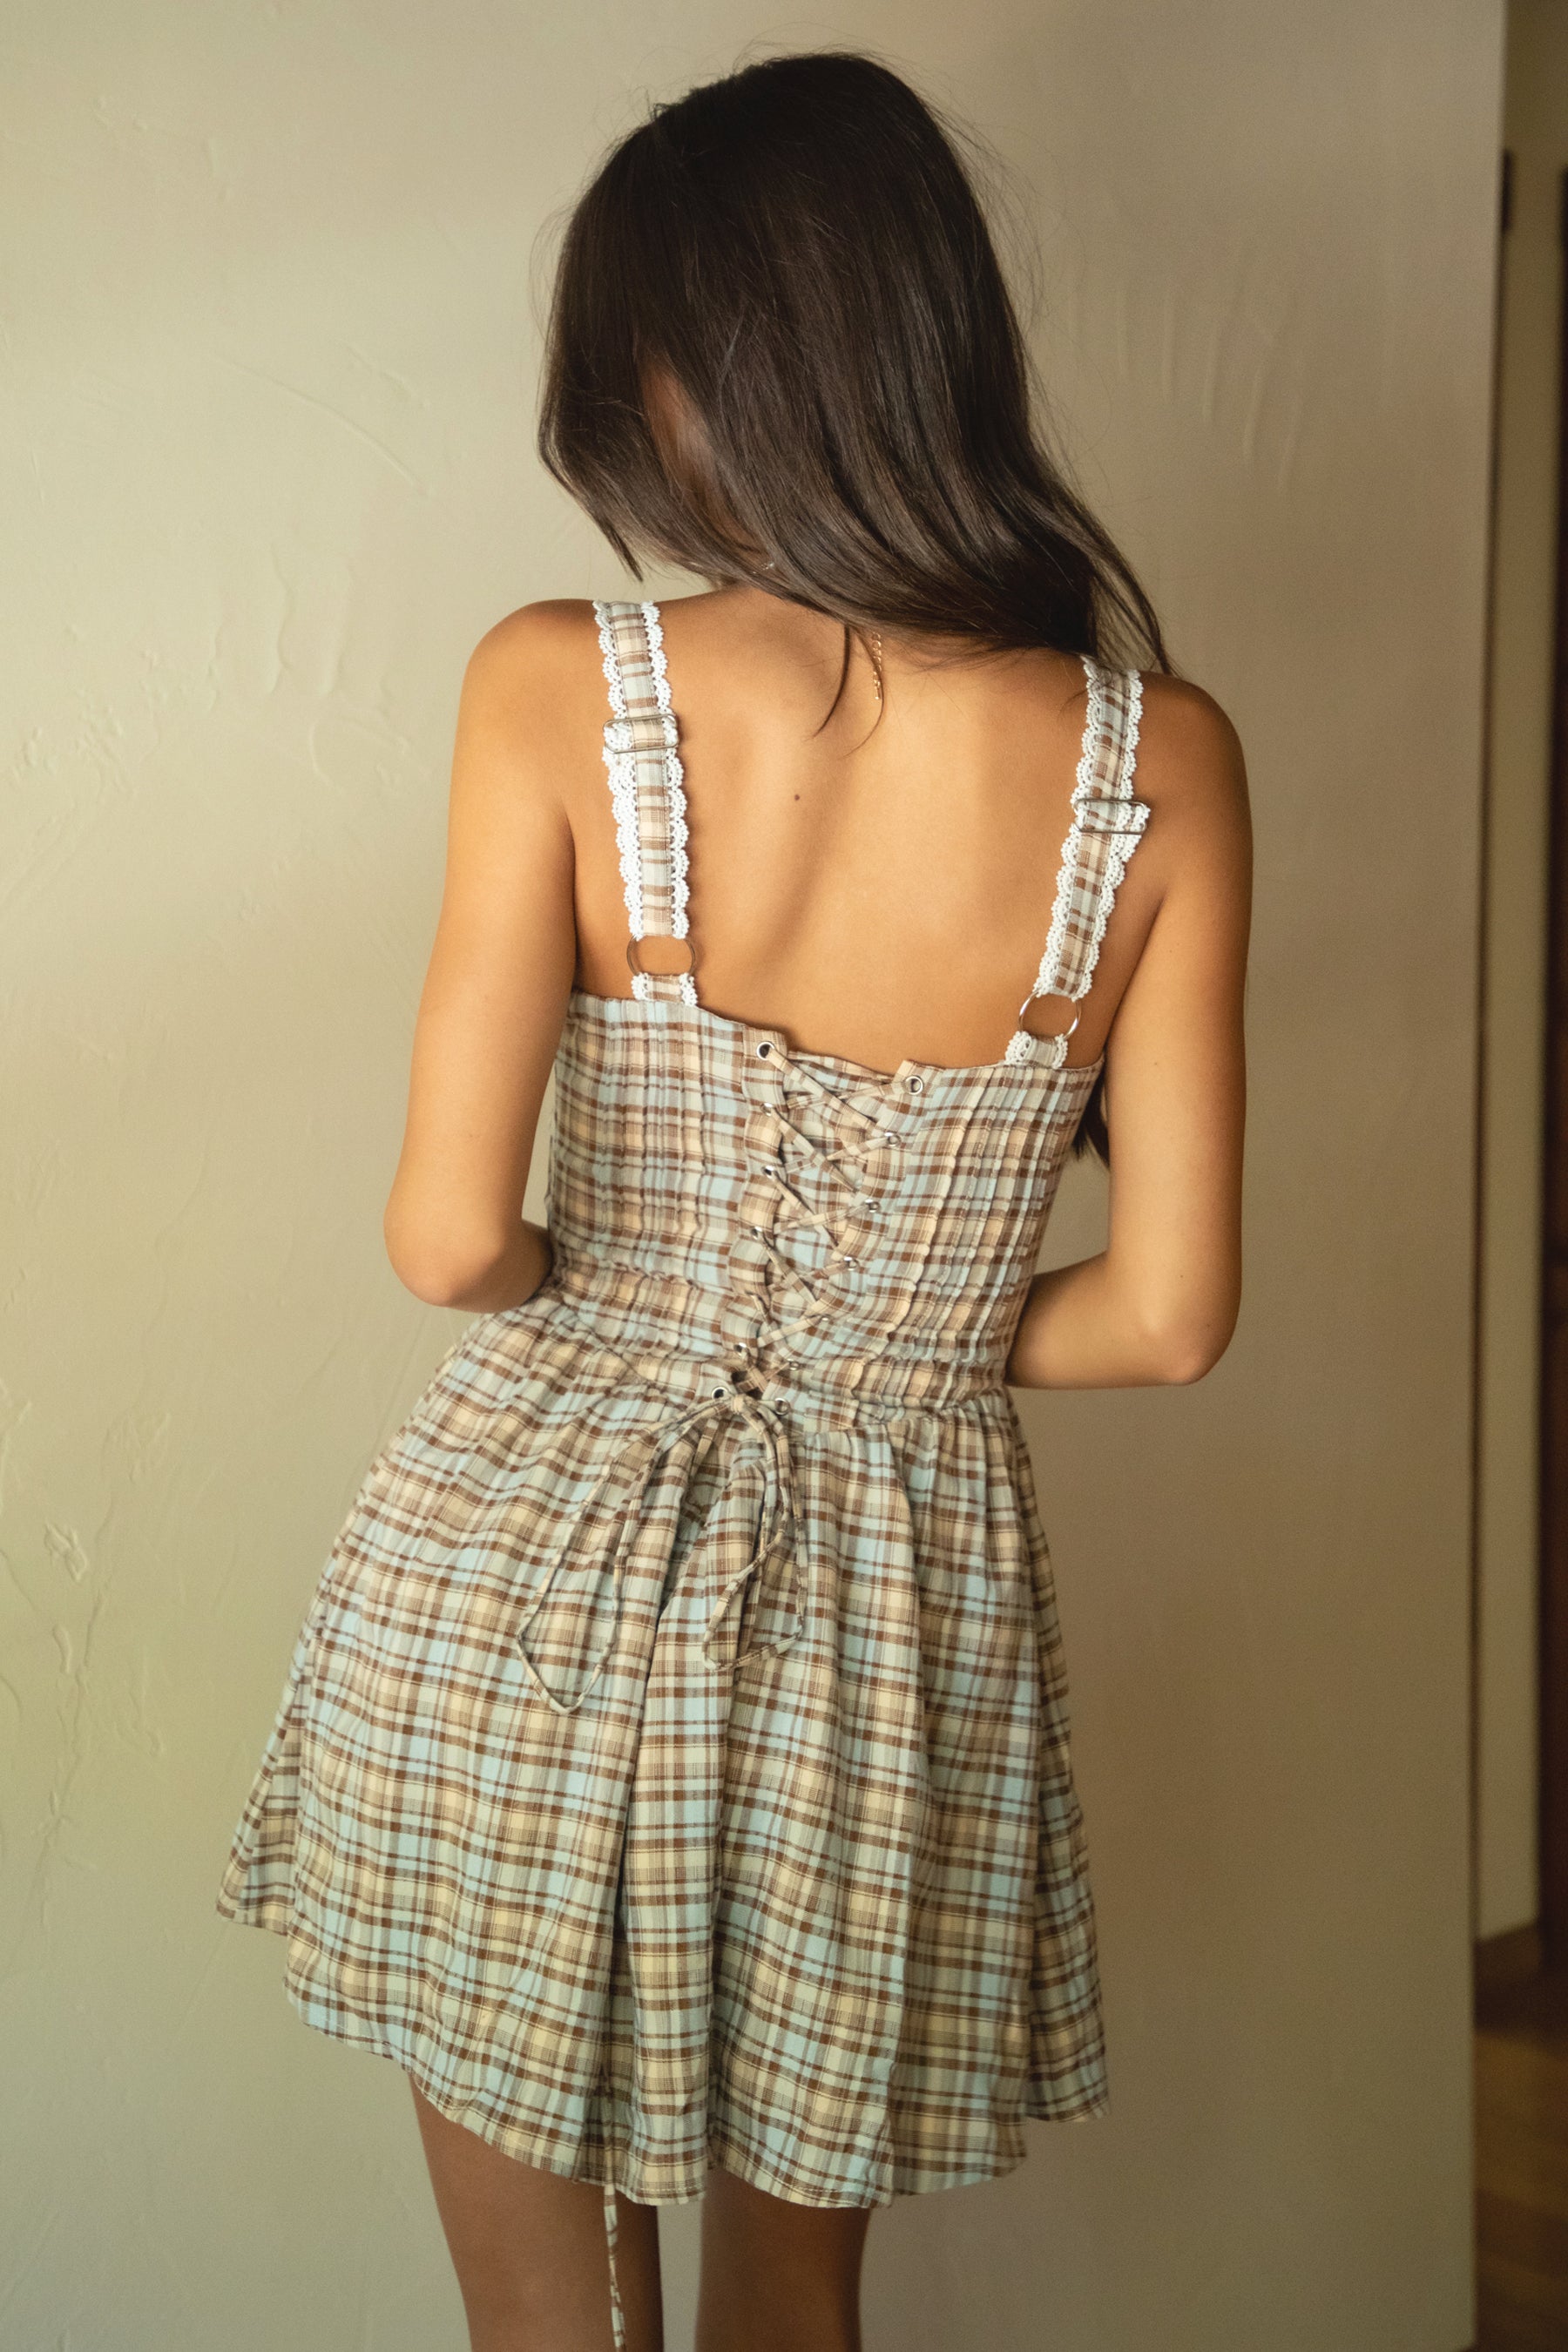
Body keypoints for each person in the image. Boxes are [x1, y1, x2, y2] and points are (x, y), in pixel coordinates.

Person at [215, 46, 1249, 2352]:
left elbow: (450, 1237)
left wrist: (663, 1302)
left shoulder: (555, 691)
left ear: (696, 368)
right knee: (797, 2319)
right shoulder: (1157, 762)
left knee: (553, 2321)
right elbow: (1170, 1312)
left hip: (528, 1577)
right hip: (901, 1619)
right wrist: (888, 1326)